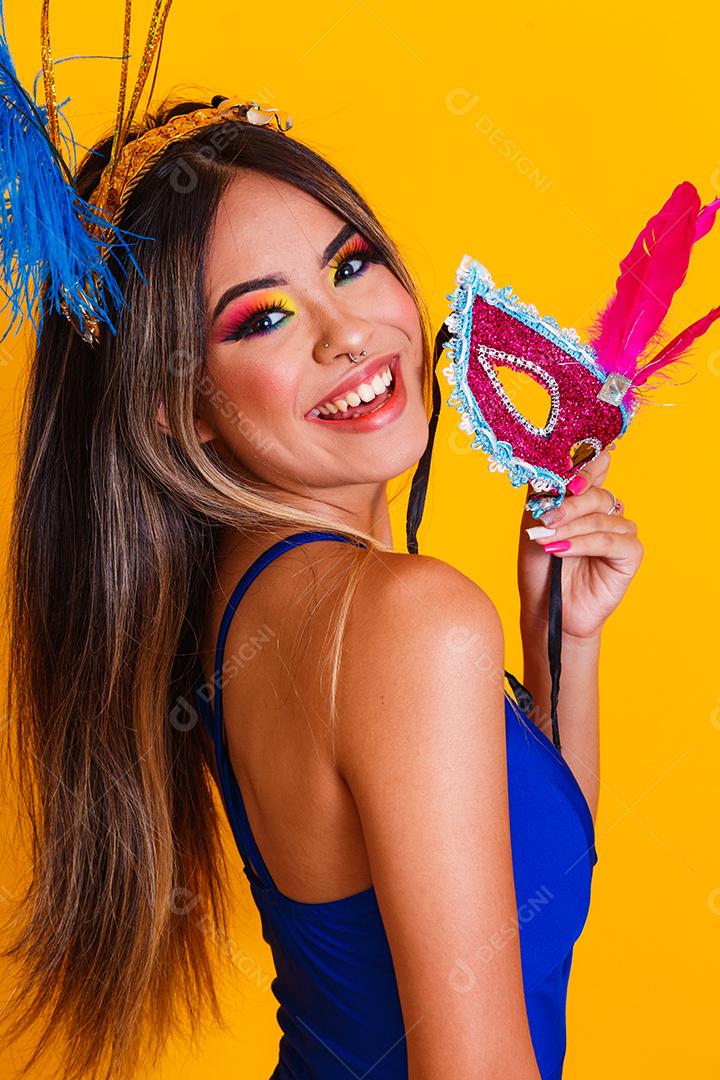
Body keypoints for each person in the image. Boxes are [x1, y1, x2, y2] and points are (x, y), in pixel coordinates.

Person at [3, 95, 643, 1080]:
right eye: (262, 317)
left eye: (349, 265)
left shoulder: (245, 604)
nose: (346, 335)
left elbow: (522, 915)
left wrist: (563, 637)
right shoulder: (402, 619)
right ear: (180, 412)